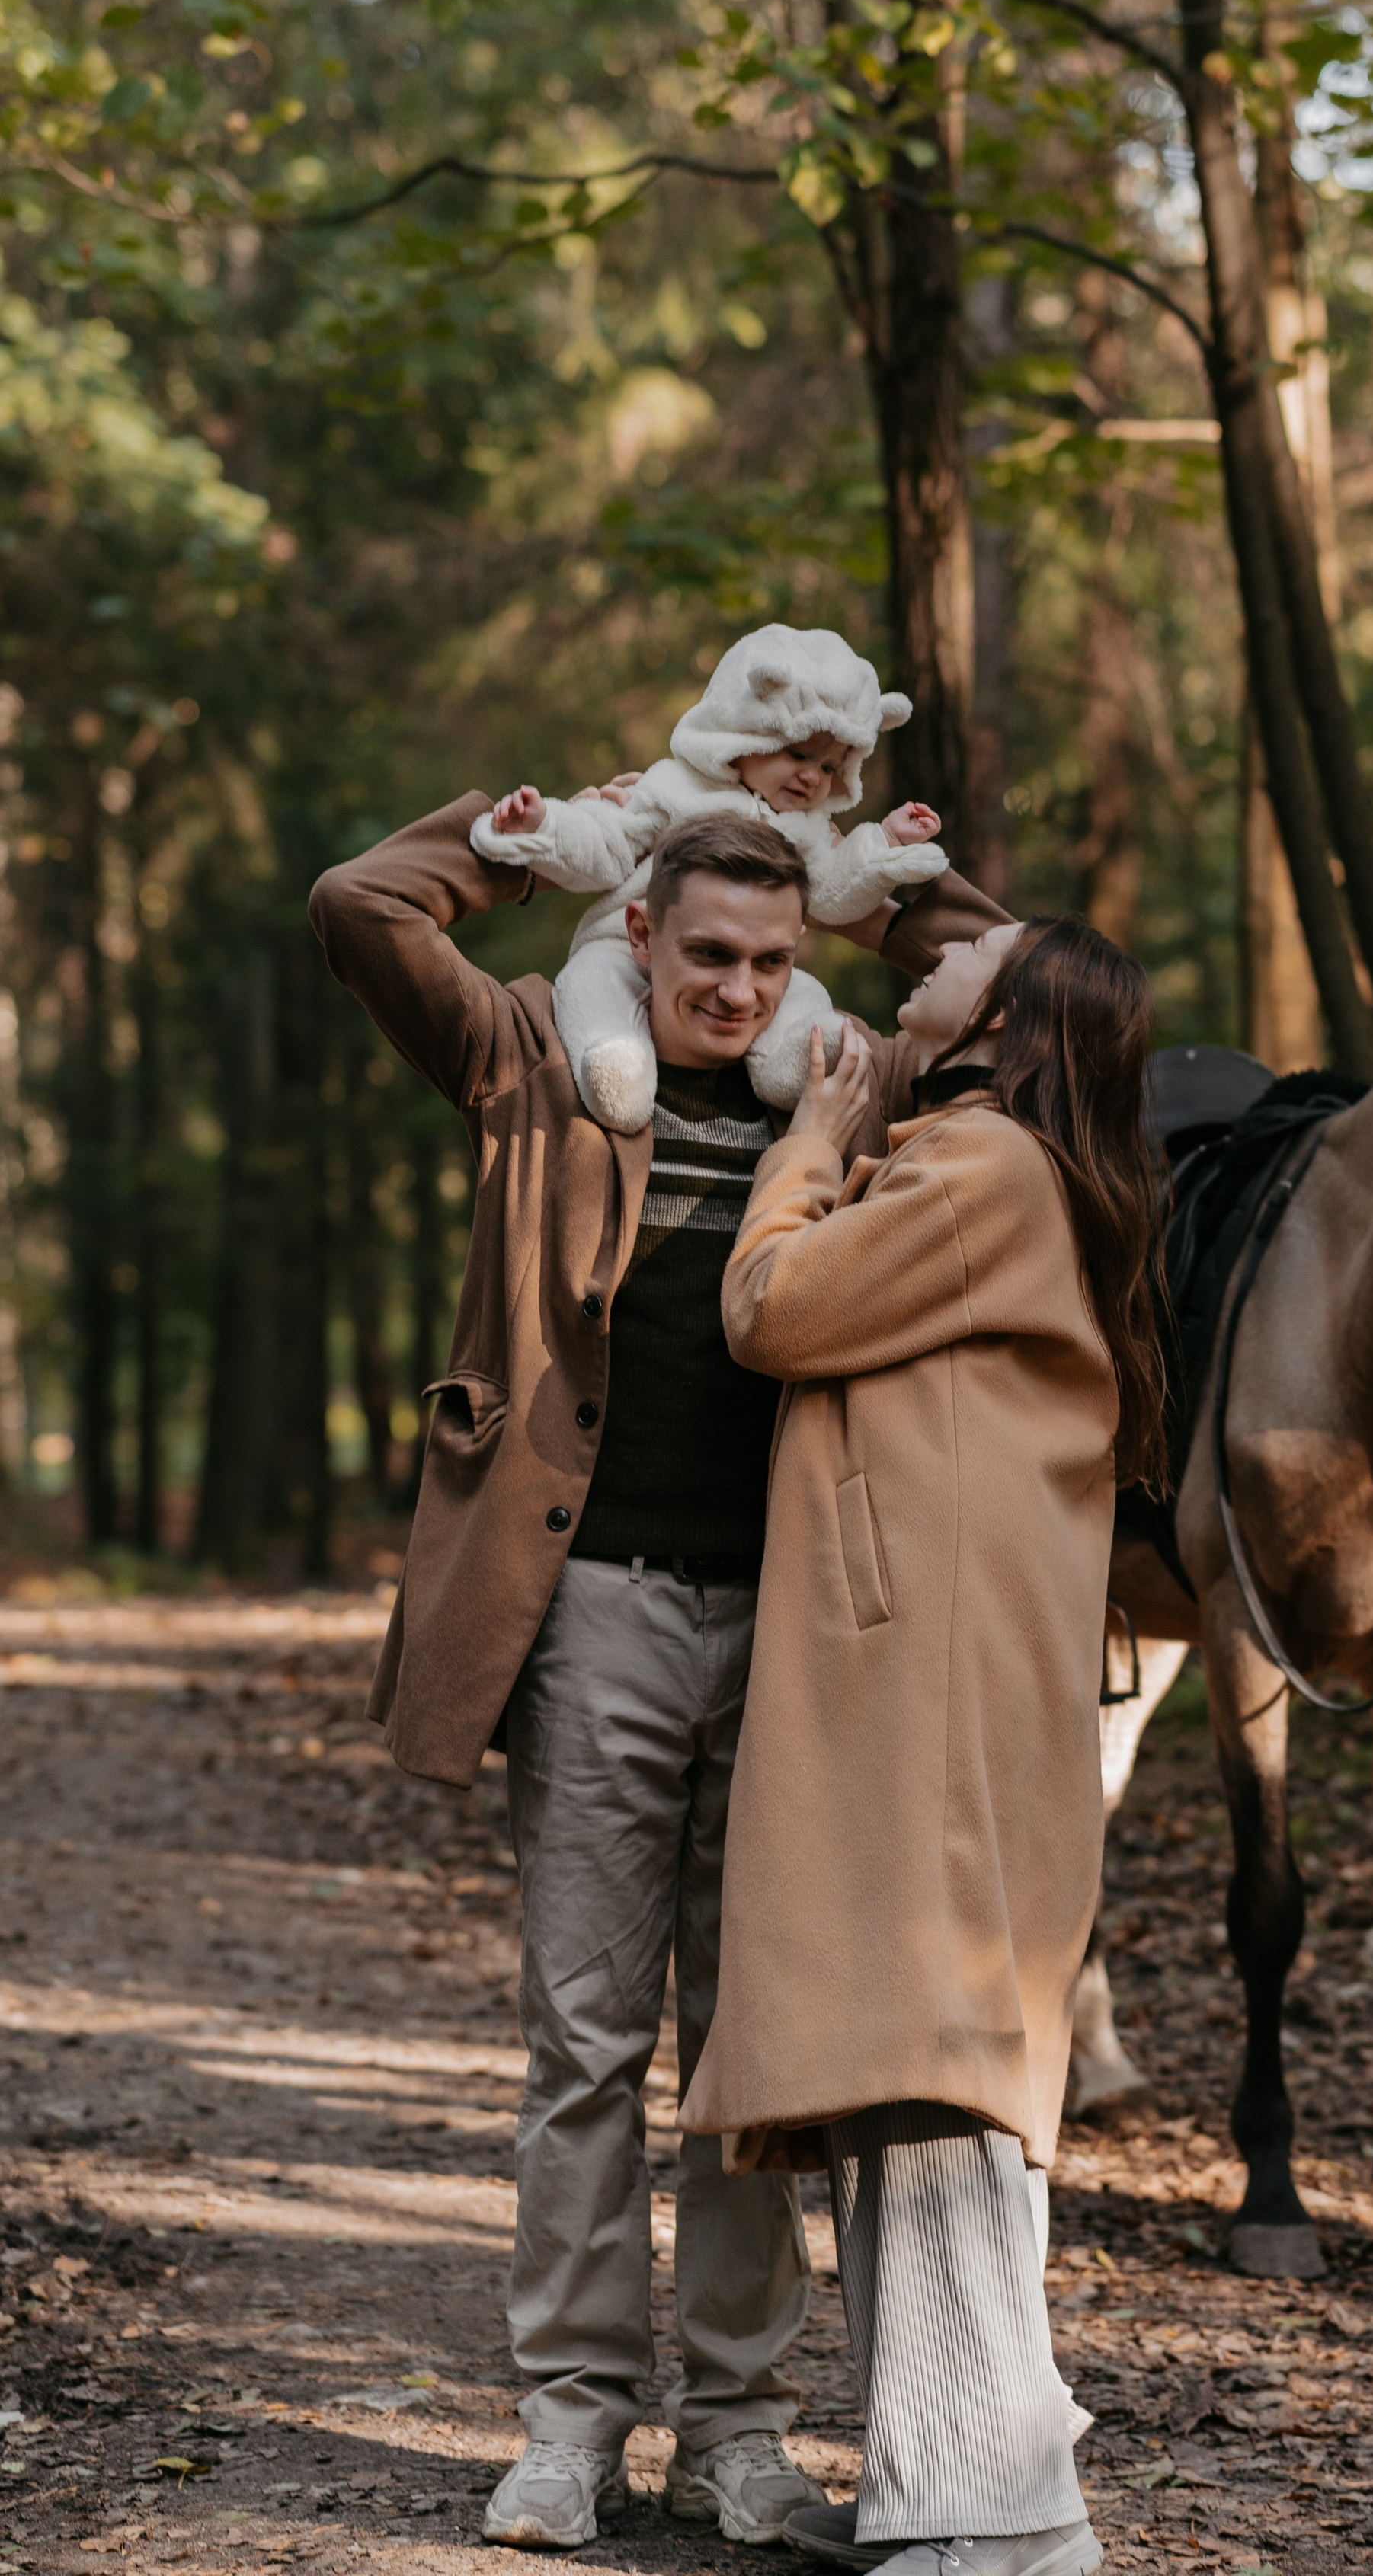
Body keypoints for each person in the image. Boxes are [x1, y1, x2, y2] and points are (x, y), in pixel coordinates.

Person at [308, 797, 1006, 2554]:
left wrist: (875, 882)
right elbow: (361, 904)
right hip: (593, 1604)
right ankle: (565, 2428)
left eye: (770, 956)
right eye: (706, 951)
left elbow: (1018, 983)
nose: (737, 984)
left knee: (757, 2051)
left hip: (800, 1619)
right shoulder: (537, 1055)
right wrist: (519, 832)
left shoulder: (848, 1081)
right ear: (639, 931)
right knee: (587, 2034)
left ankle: (737, 2437)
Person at [680, 916, 1168, 2576]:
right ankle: (936, 2498)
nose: (934, 950)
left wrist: (806, 1149)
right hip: (941, 1679)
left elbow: (771, 1305)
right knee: (904, 2082)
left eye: (973, 951)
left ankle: (997, 2517)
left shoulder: (979, 1168)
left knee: (937, 2079)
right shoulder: (998, 1155)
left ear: (1013, 1016)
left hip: (934, 1695)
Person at [469, 622, 950, 1131]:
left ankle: (794, 1056)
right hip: (619, 946)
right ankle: (616, 1066)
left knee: (802, 993)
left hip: (759, 1027)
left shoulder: (807, 830)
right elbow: (608, 840)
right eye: (798, 754)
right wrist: (543, 827)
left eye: (831, 767)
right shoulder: (674, 788)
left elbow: (833, 889)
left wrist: (884, 844)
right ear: (744, 734)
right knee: (593, 983)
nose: (813, 777)